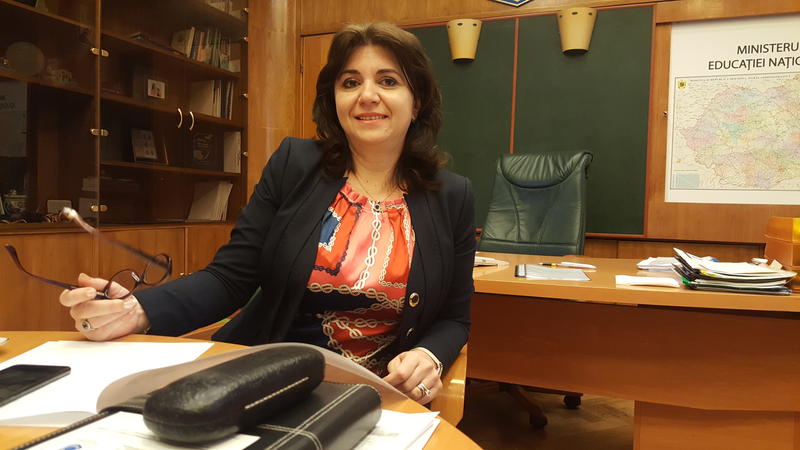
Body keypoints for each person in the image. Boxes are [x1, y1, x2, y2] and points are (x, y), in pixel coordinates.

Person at [59, 23, 476, 404]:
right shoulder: (295, 164)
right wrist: (137, 310)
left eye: (388, 81)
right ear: (335, 99)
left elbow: (454, 318)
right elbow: (230, 278)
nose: (367, 95)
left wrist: (429, 355)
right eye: (351, 82)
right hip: (272, 380)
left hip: (379, 395)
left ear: (417, 102)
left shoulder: (452, 195)